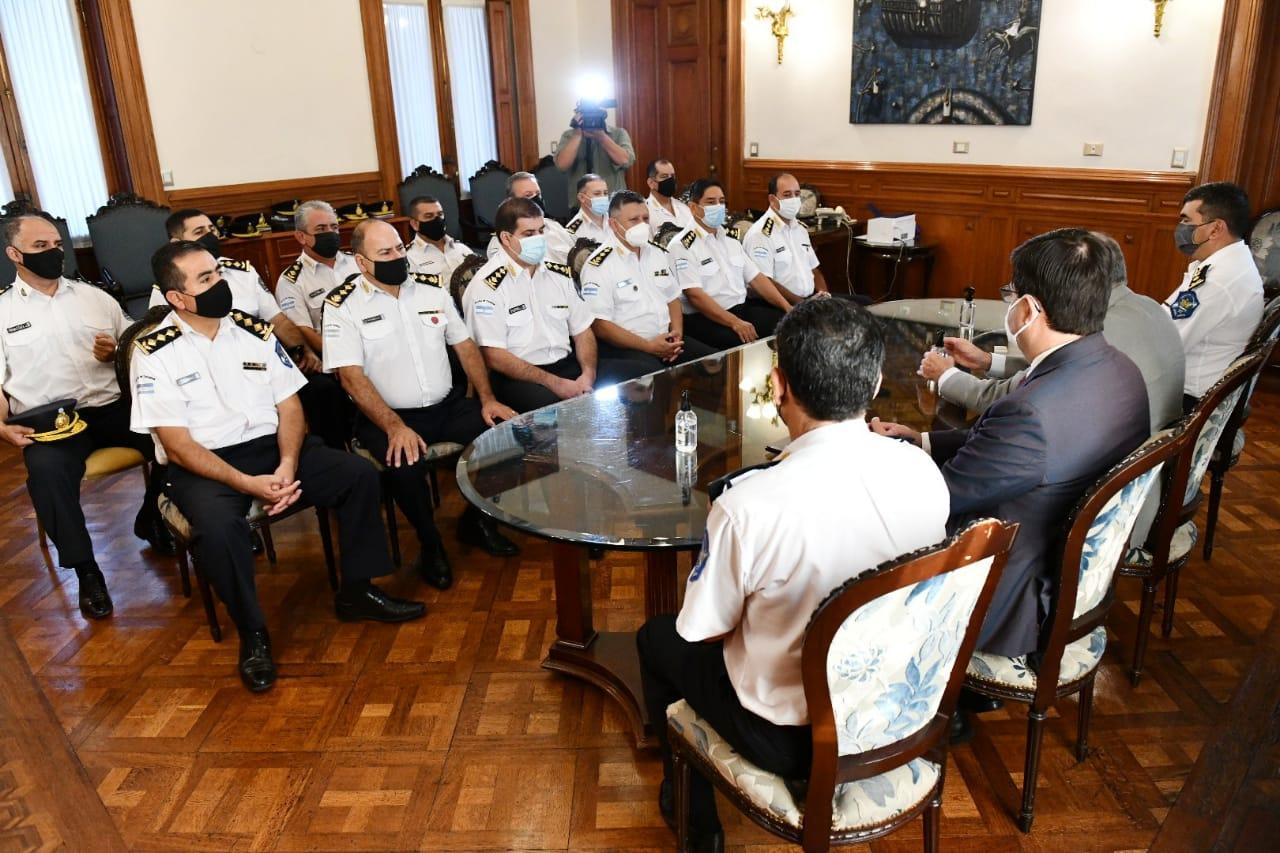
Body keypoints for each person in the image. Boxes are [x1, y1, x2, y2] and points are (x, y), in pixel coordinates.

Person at [638, 298, 949, 849]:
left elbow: (702, 629)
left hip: (791, 736)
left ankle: (695, 819)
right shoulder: (922, 470)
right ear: (875, 382)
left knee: (658, 638)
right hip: (903, 700)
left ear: (778, 385)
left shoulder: (749, 504)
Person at [132, 241, 425, 692]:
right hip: (206, 465)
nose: (221, 284)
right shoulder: (154, 351)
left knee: (359, 475)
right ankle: (252, 632)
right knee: (219, 528)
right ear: (176, 298)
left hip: (275, 450)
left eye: (218, 273)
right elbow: (177, 443)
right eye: (206, 279)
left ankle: (357, 591)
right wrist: (246, 483)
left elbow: (290, 406)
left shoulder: (254, 331)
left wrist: (288, 464)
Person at [872, 228, 1149, 663]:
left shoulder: (1030, 414)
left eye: (1011, 294)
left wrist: (868, 468)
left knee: (861, 538)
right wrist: (921, 440)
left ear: (1028, 309)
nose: (1008, 305)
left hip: (1004, 592)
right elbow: (1020, 453)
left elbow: (940, 497)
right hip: (1063, 560)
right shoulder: (1119, 371)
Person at [324, 219, 519, 591]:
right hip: (387, 417)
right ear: (361, 262)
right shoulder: (342, 307)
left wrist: (488, 398)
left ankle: (477, 520)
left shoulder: (431, 291)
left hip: (445, 408)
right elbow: (350, 376)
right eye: (385, 253)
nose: (397, 257)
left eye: (399, 248)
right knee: (405, 465)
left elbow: (465, 347)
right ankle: (431, 546)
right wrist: (394, 426)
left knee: (509, 436)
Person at [0, 214, 169, 619]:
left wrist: (116, 352)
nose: (53, 252)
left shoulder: (95, 298)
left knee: (176, 440)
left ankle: (152, 517)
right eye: (40, 247)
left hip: (111, 406)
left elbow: (136, 346)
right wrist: (1, 428)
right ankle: (87, 571)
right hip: (52, 422)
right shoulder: (3, 311)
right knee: (46, 476)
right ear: (14, 254)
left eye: (57, 244)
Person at [920, 232, 1185, 432]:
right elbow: (1045, 373)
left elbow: (1010, 399)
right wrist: (987, 361)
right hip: (1145, 453)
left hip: (1104, 474)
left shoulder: (1098, 333)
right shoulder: (1147, 306)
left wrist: (945, 375)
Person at [153, 208, 351, 449]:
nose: (210, 236)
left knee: (323, 387)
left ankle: (332, 449)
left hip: (267, 360)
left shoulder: (241, 272)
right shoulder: (168, 291)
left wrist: (304, 350)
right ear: (177, 242)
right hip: (213, 370)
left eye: (211, 230)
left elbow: (277, 319)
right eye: (199, 232)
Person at [463, 197, 630, 412]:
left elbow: (582, 330)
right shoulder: (487, 286)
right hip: (520, 377)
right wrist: (557, 384)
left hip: (568, 365)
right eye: (529, 234)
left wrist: (588, 374)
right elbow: (494, 356)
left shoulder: (557, 273)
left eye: (541, 231)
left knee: (638, 377)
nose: (539, 239)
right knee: (563, 412)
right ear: (506, 238)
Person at [577, 191, 716, 378]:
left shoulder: (657, 253)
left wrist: (676, 335)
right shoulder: (599, 265)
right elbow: (601, 325)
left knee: (712, 361)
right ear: (613, 224)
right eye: (634, 220)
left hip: (666, 339)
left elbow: (673, 298)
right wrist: (649, 346)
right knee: (656, 378)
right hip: (630, 347)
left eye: (645, 218)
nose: (642, 225)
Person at [1164, 181, 1263, 411]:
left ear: (1216, 228)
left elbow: (1167, 345)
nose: (1180, 227)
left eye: (1187, 220)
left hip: (1187, 402)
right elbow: (1168, 316)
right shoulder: (1227, 265)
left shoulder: (1219, 280)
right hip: (1193, 391)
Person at [669, 178, 792, 350]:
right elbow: (695, 296)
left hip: (741, 309)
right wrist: (735, 322)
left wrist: (788, 307)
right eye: (711, 202)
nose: (718, 206)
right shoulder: (681, 245)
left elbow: (757, 278)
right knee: (746, 343)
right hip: (706, 318)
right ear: (693, 208)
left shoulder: (730, 239)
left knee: (790, 324)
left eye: (722, 201)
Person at [743, 173, 829, 303]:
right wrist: (801, 304)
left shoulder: (800, 229)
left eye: (797, 194)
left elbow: (814, 269)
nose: (794, 199)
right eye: (787, 195)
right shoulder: (761, 234)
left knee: (862, 302)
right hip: (778, 304)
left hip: (808, 300)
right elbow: (764, 282)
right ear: (772, 199)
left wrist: (824, 295)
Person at [484, 172, 575, 264]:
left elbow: (575, 252)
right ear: (512, 201)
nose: (536, 199)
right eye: (528, 195)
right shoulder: (504, 241)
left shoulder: (553, 225)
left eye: (538, 194)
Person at [554, 106, 635, 194]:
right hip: (581, 202)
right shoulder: (569, 135)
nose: (591, 117)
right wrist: (577, 135)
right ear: (578, 115)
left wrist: (602, 137)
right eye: (587, 114)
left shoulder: (618, 133)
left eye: (595, 113)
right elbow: (562, 166)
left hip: (613, 202)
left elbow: (625, 161)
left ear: (604, 114)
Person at [404, 195, 477, 282]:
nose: (437, 220)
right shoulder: (410, 258)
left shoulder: (461, 249)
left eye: (440, 214)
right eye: (429, 216)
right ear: (414, 224)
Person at [644, 159, 694, 230]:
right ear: (651, 183)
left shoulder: (685, 208)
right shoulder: (645, 212)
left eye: (672, 176)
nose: (670, 180)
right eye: (664, 176)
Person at [564, 173, 612, 244]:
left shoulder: (616, 219)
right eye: (597, 194)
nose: (603, 197)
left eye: (605, 193)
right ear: (582, 198)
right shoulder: (573, 232)